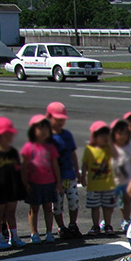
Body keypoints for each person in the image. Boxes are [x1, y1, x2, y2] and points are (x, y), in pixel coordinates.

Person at [0, 117, 27, 249]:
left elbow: (17, 170)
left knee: (11, 213)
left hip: (11, 187)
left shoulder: (12, 152)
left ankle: (14, 236)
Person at [20, 114, 61, 243]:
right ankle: (34, 233)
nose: (43, 132)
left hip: (49, 183)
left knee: (48, 207)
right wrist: (25, 183)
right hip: (34, 183)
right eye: (40, 128)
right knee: (34, 209)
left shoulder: (50, 147)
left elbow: (55, 165)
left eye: (46, 129)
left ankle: (49, 232)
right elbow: (24, 167)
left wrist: (58, 182)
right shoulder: (28, 147)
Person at [46, 102, 82, 239]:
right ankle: (61, 226)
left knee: (73, 200)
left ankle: (73, 224)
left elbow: (72, 153)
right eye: (57, 119)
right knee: (58, 204)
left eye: (62, 120)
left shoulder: (67, 135)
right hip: (55, 178)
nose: (60, 122)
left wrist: (77, 172)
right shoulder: (48, 137)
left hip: (69, 174)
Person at [81, 121, 117, 236]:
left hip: (108, 184)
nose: (105, 138)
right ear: (94, 137)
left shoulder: (109, 148)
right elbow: (85, 164)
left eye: (107, 135)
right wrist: (82, 177)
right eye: (102, 136)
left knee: (107, 206)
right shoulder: (89, 149)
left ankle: (108, 224)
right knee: (95, 207)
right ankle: (95, 225)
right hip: (94, 185)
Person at [110, 118, 131, 231]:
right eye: (120, 133)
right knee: (110, 201)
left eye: (125, 134)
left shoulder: (130, 148)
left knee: (126, 200)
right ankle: (107, 221)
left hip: (127, 180)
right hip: (113, 180)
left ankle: (125, 220)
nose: (123, 136)